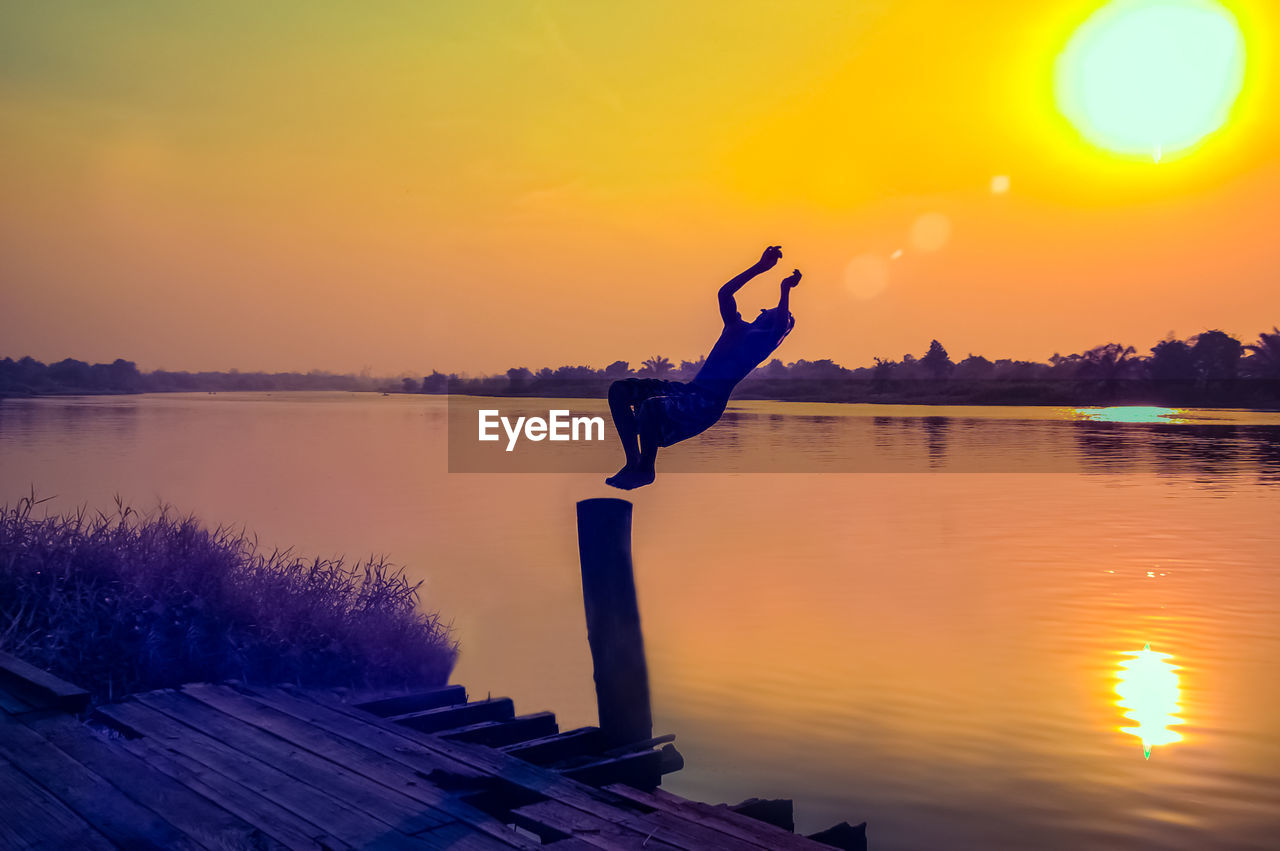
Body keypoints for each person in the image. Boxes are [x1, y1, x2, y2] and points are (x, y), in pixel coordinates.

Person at [605, 245, 800, 489]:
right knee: (619, 391)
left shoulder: (761, 345)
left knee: (650, 408)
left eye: (787, 317)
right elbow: (724, 294)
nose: (784, 314)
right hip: (689, 391)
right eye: (785, 313)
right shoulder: (735, 327)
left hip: (708, 404)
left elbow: (781, 325)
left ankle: (646, 469)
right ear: (762, 312)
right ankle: (633, 462)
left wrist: (784, 290)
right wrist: (760, 267)